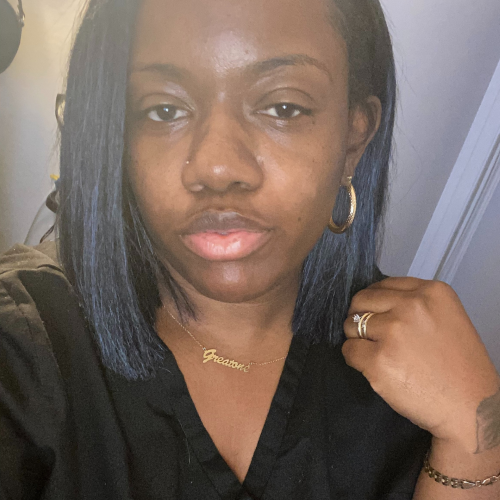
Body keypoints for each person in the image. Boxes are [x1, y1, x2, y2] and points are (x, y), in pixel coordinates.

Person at [0, 0, 499, 498]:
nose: (217, 169)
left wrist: (478, 438)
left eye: (283, 108)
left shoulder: (423, 377)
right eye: (164, 110)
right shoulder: (25, 344)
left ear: (353, 139)